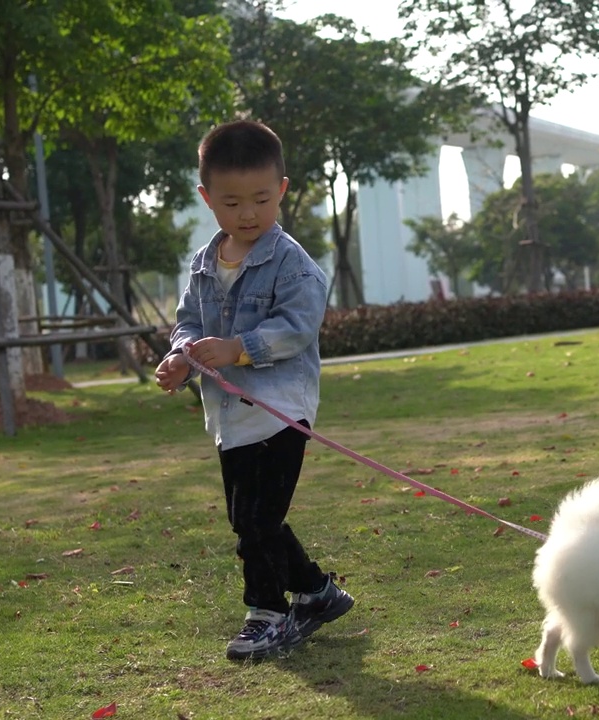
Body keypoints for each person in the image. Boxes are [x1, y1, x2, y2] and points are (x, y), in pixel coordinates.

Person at [154, 120, 353, 661]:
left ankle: (267, 612)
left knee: (258, 521)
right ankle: (316, 592)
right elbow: (188, 325)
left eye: (262, 199)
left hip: (280, 410)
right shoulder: (202, 264)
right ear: (207, 199)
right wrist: (181, 358)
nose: (248, 214)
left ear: (282, 189)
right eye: (232, 202)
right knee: (248, 518)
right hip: (229, 416)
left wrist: (239, 347)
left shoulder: (292, 263)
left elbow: (297, 327)